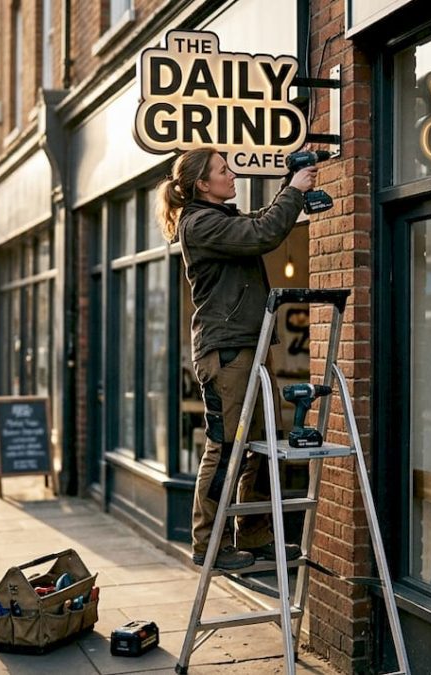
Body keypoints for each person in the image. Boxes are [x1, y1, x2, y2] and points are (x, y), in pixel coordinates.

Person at [156, 147, 316, 570]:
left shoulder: (221, 219)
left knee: (261, 448)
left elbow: (260, 220)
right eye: (223, 170)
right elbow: (263, 234)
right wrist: (296, 192)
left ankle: (256, 534)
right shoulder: (201, 223)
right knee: (227, 447)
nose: (233, 175)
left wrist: (287, 188)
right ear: (202, 185)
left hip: (248, 346)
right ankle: (208, 542)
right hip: (227, 353)